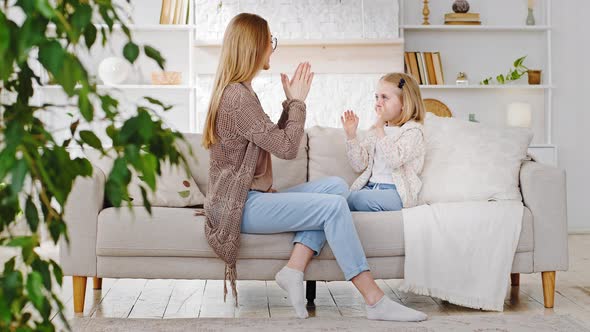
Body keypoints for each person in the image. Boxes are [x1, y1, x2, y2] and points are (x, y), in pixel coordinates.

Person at [202, 13, 427, 322]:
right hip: (240, 207)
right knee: (334, 207)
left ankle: (293, 270)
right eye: (270, 41)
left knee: (336, 186)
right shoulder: (237, 97)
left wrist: (288, 104)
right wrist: (298, 102)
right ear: (254, 46)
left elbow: (270, 139)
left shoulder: (240, 92)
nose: (273, 48)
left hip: (249, 199)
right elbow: (287, 148)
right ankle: (374, 300)